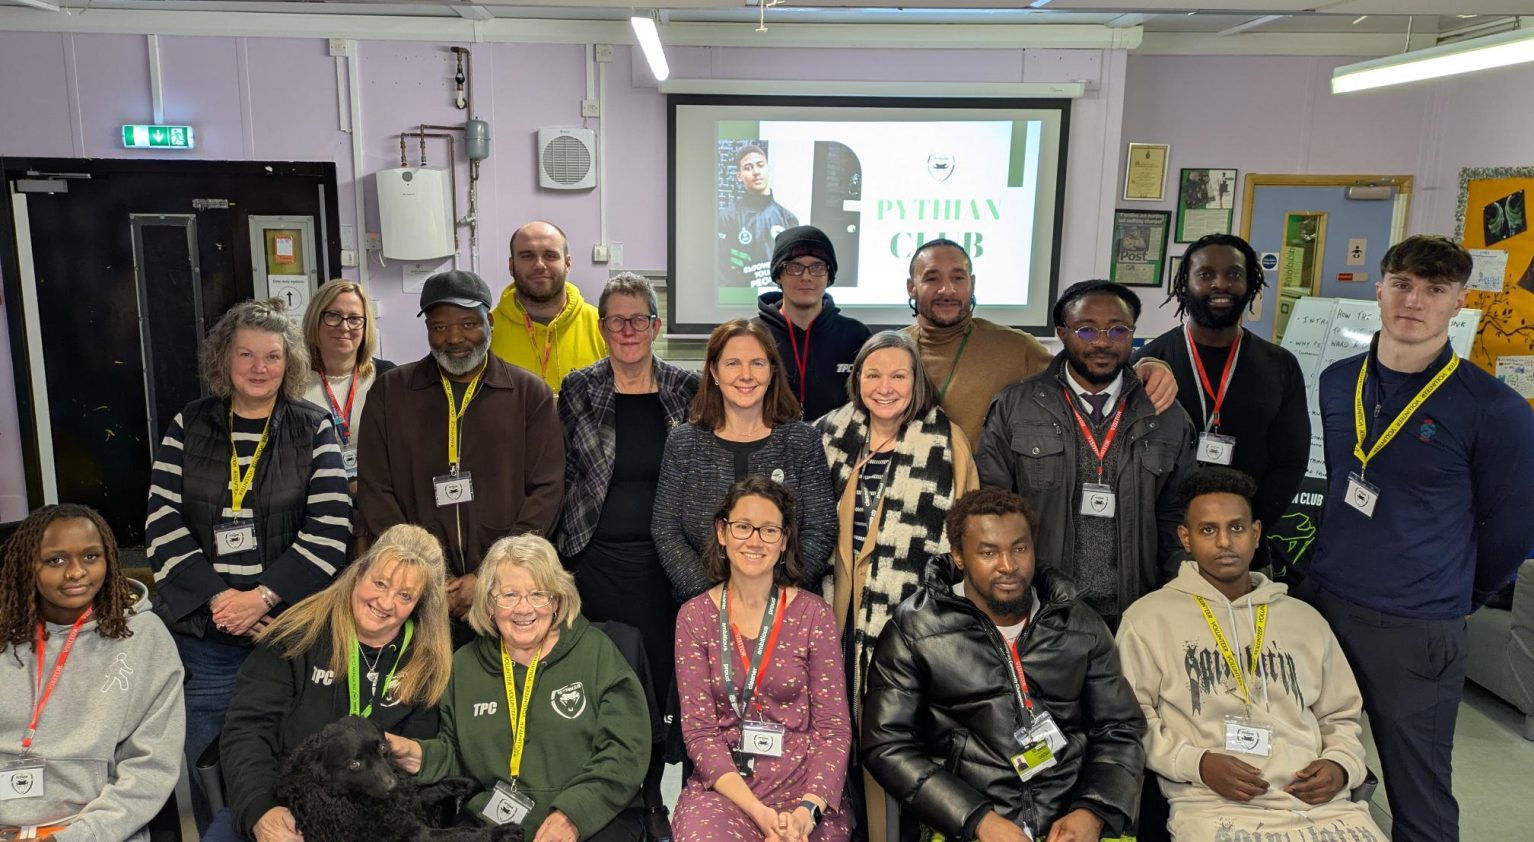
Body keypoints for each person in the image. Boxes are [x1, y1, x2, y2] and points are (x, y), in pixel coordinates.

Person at [1295, 234, 1534, 842]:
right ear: (1380, 288)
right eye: (1403, 284)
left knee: (1418, 795)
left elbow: (1510, 529)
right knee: (1310, 767)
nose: (1414, 301)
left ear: (1457, 302)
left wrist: (1450, 596)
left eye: (1435, 290)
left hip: (1415, 623)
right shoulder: (1337, 379)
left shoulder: (1493, 408)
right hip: (1323, 605)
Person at [144, 298, 351, 829]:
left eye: (273, 356)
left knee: (295, 760)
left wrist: (261, 598)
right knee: (212, 767)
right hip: (207, 637)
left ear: (291, 364)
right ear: (223, 360)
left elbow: (329, 529)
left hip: (289, 634)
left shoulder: (314, 427)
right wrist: (221, 601)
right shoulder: (187, 425)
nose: (259, 368)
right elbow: (162, 522)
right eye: (246, 355)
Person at [1116, 467, 1386, 841]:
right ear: (1186, 538)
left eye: (1237, 528)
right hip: (1214, 806)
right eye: (1208, 530)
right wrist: (1199, 764)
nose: (1225, 541)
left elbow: (1340, 715)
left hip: (1321, 808)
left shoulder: (1304, 619)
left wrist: (1341, 765)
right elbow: (1132, 720)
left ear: (1256, 534)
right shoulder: (1147, 619)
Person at [862, 488, 1145, 841]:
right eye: (988, 552)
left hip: (1073, 821)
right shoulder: (915, 630)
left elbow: (1119, 728)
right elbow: (887, 745)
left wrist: (1093, 811)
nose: (1008, 565)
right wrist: (978, 820)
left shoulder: (1079, 623)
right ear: (959, 556)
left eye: (1019, 548)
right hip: (965, 825)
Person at [814, 330, 977, 841]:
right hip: (830, 613)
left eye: (899, 375)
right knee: (828, 733)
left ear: (917, 382)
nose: (885, 387)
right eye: (873, 374)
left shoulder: (946, 441)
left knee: (892, 740)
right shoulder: (825, 433)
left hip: (908, 623)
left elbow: (964, 541)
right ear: (856, 379)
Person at [557, 272, 700, 839]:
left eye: (638, 318)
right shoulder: (577, 389)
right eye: (615, 319)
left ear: (656, 326)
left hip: (668, 564)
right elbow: (561, 473)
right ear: (601, 327)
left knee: (665, 682)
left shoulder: (687, 390)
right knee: (607, 683)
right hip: (594, 561)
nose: (627, 330)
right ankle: (619, 799)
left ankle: (656, 800)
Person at [385, 534, 650, 840]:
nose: (524, 609)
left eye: (538, 594)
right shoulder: (465, 666)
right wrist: (416, 754)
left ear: (557, 600)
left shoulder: (597, 652)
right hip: (494, 821)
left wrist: (573, 815)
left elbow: (626, 752)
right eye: (509, 595)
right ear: (488, 605)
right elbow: (458, 754)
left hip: (592, 816)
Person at [356, 270, 563, 645]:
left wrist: (490, 574)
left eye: (468, 323)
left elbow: (546, 491)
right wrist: (421, 573)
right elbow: (375, 489)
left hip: (506, 593)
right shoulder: (391, 392)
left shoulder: (529, 393)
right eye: (439, 327)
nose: (453, 338)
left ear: (491, 322)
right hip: (413, 593)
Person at [209, 524, 453, 842]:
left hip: (373, 814)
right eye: (380, 583)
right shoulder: (297, 636)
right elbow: (247, 731)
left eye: (405, 595)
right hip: (282, 801)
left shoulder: (425, 662)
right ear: (359, 572)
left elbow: (405, 782)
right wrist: (261, 812)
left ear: (419, 603)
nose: (386, 602)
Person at [978, 280, 1196, 628]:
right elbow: (992, 510)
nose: (1102, 342)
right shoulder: (1015, 407)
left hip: (1135, 611)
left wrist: (1174, 601)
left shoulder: (1165, 414)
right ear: (1062, 333)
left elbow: (1177, 519)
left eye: (1117, 329)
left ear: (1132, 334)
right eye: (1086, 330)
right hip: (1041, 609)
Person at [673, 476, 852, 842]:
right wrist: (759, 813)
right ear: (722, 533)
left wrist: (806, 812)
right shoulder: (694, 618)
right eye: (742, 527)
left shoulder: (814, 615)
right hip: (726, 792)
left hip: (806, 791)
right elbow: (700, 733)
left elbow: (833, 729)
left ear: (784, 541)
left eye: (769, 530)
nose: (754, 540)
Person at [0, 504, 185, 842]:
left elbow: (150, 768)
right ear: (28, 566)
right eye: (55, 560)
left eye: (90, 556)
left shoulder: (143, 637)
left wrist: (71, 838)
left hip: (96, 832)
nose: (76, 573)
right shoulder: (4, 637)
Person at [1133, 234, 1309, 573]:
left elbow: (1290, 461)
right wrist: (1176, 534)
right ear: (1184, 284)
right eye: (1206, 274)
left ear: (1250, 282)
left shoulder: (1279, 365)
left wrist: (1246, 530)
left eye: (1233, 274)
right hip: (1165, 551)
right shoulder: (1150, 362)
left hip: (1247, 554)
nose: (1220, 284)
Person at [902, 238, 1178, 448]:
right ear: (911, 287)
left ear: (971, 284)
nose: (947, 289)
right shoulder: (891, 349)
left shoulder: (1015, 348)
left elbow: (1089, 368)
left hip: (980, 507)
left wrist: (1148, 363)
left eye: (957, 278)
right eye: (931, 278)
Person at [653, 320, 837, 604]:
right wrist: (716, 600)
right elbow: (666, 531)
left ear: (772, 371)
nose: (746, 375)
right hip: (703, 611)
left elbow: (820, 529)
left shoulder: (802, 441)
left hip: (786, 611)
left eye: (757, 363)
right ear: (714, 371)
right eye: (733, 363)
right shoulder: (683, 442)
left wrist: (773, 597)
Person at [755, 226, 872, 422]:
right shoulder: (752, 336)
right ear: (778, 276)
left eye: (817, 267)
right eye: (794, 267)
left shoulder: (856, 336)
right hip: (767, 448)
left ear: (829, 276)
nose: (806, 276)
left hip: (839, 448)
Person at [490, 220, 607, 394]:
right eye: (527, 256)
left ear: (567, 264)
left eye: (550, 255)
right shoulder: (487, 331)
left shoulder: (603, 326)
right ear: (511, 265)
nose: (539, 265)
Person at [300, 279, 396, 487]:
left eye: (354, 318)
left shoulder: (386, 377)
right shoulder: (293, 382)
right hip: (313, 500)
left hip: (374, 500)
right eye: (333, 316)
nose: (344, 326)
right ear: (315, 319)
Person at [719, 143, 800, 289]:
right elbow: (720, 272)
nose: (756, 172)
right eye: (748, 168)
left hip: (778, 302)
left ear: (768, 169)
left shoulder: (789, 219)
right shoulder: (726, 218)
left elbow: (794, 269)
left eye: (760, 165)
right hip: (738, 301)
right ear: (739, 176)